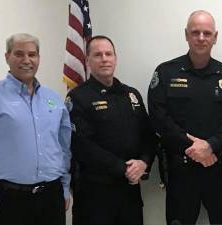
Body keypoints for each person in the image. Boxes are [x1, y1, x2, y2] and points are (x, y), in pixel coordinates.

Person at [148, 10, 222, 225]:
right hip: (180, 170)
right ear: (186, 34)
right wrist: (195, 149)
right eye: (195, 32)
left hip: (218, 168)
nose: (201, 38)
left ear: (215, 37)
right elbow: (158, 118)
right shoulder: (166, 73)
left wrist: (211, 146)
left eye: (207, 33)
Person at [0, 33, 71, 225]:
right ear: (7, 57)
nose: (26, 60)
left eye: (32, 54)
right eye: (19, 54)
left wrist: (64, 187)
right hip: (6, 199)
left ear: (39, 58)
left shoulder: (53, 98)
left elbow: (63, 148)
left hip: (50, 197)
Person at [67, 35, 157, 225]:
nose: (104, 59)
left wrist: (143, 162)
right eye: (98, 55)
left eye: (109, 54)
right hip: (95, 194)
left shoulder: (131, 94)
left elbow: (149, 136)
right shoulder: (78, 97)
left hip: (129, 192)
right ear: (88, 61)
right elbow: (82, 145)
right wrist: (123, 168)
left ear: (115, 58)